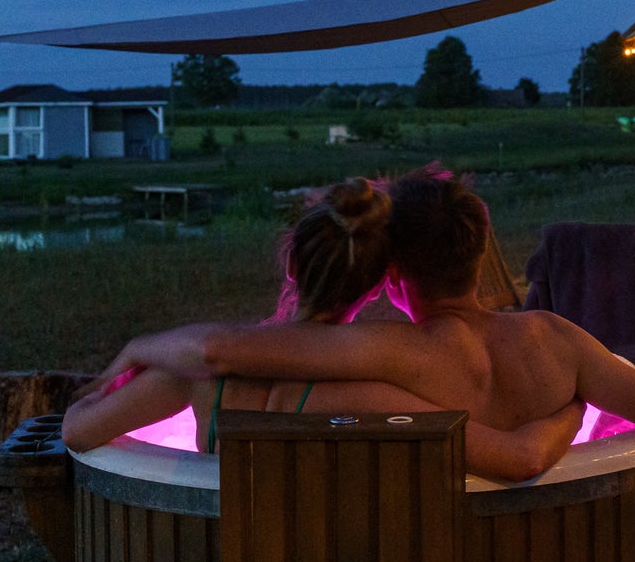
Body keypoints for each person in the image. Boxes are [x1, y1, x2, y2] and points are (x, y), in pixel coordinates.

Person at [86, 166, 635, 443]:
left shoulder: (392, 354)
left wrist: (137, 348)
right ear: (481, 251)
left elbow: (220, 351)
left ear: (393, 274)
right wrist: (570, 408)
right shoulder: (559, 340)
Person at [63, 177, 584, 481]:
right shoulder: (375, 394)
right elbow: (520, 456)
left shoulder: (194, 377)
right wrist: (573, 409)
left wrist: (122, 369)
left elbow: (78, 431)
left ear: (292, 263)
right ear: (377, 286)